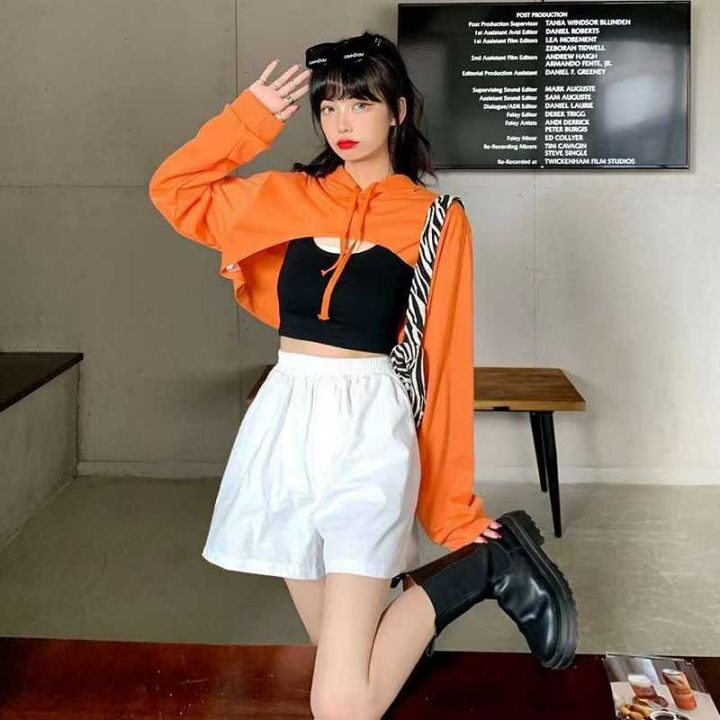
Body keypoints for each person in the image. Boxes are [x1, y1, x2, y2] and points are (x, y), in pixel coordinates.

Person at [148, 30, 577, 720]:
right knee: (352, 656)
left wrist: (453, 513)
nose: (342, 122)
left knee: (342, 702)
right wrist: (249, 117)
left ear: (398, 111)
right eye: (329, 107)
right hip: (284, 427)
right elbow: (173, 189)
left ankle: (484, 564)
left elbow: (443, 362)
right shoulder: (287, 197)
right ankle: (467, 582)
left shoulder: (435, 219)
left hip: (368, 431)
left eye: (361, 103)